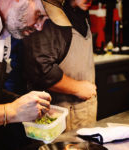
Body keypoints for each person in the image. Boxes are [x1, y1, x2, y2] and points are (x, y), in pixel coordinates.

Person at [0, 0, 71, 149]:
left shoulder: (4, 31)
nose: (40, 27)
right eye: (39, 15)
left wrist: (23, 103)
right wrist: (10, 111)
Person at [7, 0, 97, 131]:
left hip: (84, 112)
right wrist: (77, 88)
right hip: (58, 118)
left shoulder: (81, 15)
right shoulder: (49, 17)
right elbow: (40, 71)